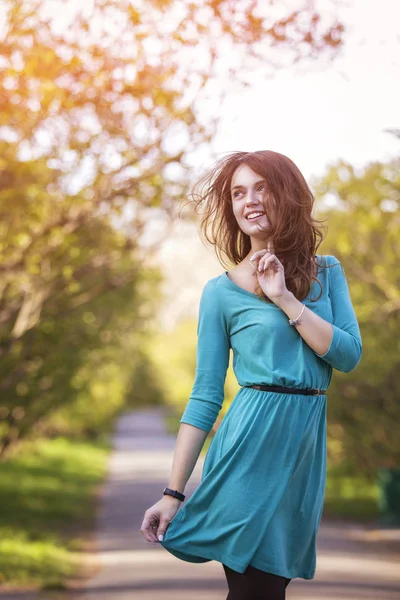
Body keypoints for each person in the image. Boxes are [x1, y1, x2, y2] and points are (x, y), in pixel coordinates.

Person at [140, 150, 362, 599]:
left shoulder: (327, 272)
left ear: (289, 196)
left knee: (270, 589)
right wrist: (172, 493)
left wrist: (284, 298)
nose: (250, 201)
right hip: (247, 444)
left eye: (262, 187)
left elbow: (348, 355)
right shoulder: (220, 293)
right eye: (239, 193)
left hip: (302, 448)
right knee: (252, 591)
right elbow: (204, 396)